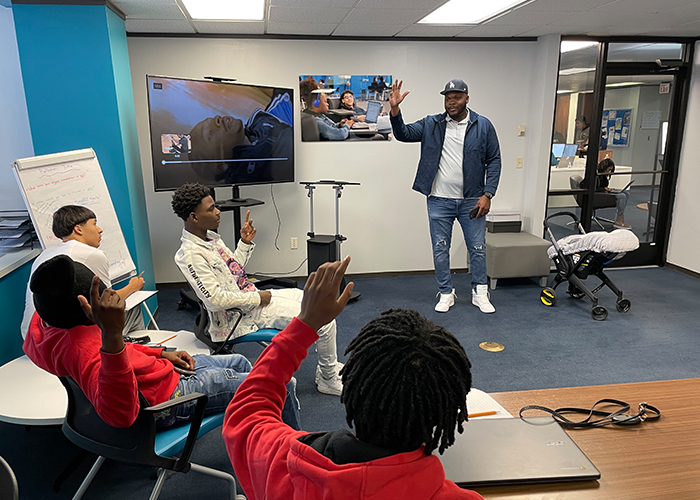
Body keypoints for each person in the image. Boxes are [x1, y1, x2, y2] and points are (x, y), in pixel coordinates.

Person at [223, 257, 482, 500]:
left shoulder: (280, 464)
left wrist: (305, 324)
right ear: (445, 413)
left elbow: (247, 412)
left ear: (353, 386)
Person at [22, 254, 301, 429]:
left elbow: (125, 354)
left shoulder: (45, 325)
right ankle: (291, 454)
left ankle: (253, 428)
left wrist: (159, 354)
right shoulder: (86, 348)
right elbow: (120, 416)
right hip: (166, 399)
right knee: (280, 383)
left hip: (159, 373)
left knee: (240, 361)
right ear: (86, 309)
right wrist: (112, 335)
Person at [172, 183, 344, 396]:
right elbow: (214, 301)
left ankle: (329, 364)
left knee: (310, 299)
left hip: (250, 301)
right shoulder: (189, 254)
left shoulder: (210, 240)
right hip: (241, 317)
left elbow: (233, 270)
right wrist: (256, 298)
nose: (218, 212)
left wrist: (244, 243)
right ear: (193, 217)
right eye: (211, 209)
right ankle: (328, 377)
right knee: (324, 319)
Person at [389, 78, 501, 314]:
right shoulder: (432, 124)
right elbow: (403, 134)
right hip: (439, 199)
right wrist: (395, 109)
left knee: (477, 247)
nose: (451, 102)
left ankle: (480, 292)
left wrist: (488, 193)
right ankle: (446, 292)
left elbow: (494, 160)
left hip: (472, 200)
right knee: (440, 249)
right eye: (448, 98)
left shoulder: (483, 125)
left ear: (467, 99)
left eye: (457, 97)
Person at [20, 205, 145, 339]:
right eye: (94, 224)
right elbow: (108, 301)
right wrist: (133, 287)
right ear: (78, 229)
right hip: (63, 337)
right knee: (132, 309)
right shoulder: (92, 254)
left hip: (33, 334)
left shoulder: (45, 254)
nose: (100, 230)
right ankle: (130, 352)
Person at [188, 107, 293, 185]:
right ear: (220, 166)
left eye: (211, 119)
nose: (217, 118)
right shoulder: (252, 177)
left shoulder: (258, 121)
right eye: (210, 133)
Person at [582, 158, 631, 229]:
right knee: (622, 196)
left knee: (626, 194)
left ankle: (620, 217)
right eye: (609, 170)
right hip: (597, 196)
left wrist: (606, 189)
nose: (609, 172)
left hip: (602, 194)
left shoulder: (603, 175)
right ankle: (619, 219)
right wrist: (603, 189)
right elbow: (592, 188)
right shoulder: (596, 175)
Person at [299, 77, 354, 141]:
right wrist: (347, 126)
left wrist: (339, 125)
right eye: (325, 101)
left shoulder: (320, 115)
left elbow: (330, 127)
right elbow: (340, 135)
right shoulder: (315, 120)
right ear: (316, 103)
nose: (328, 104)